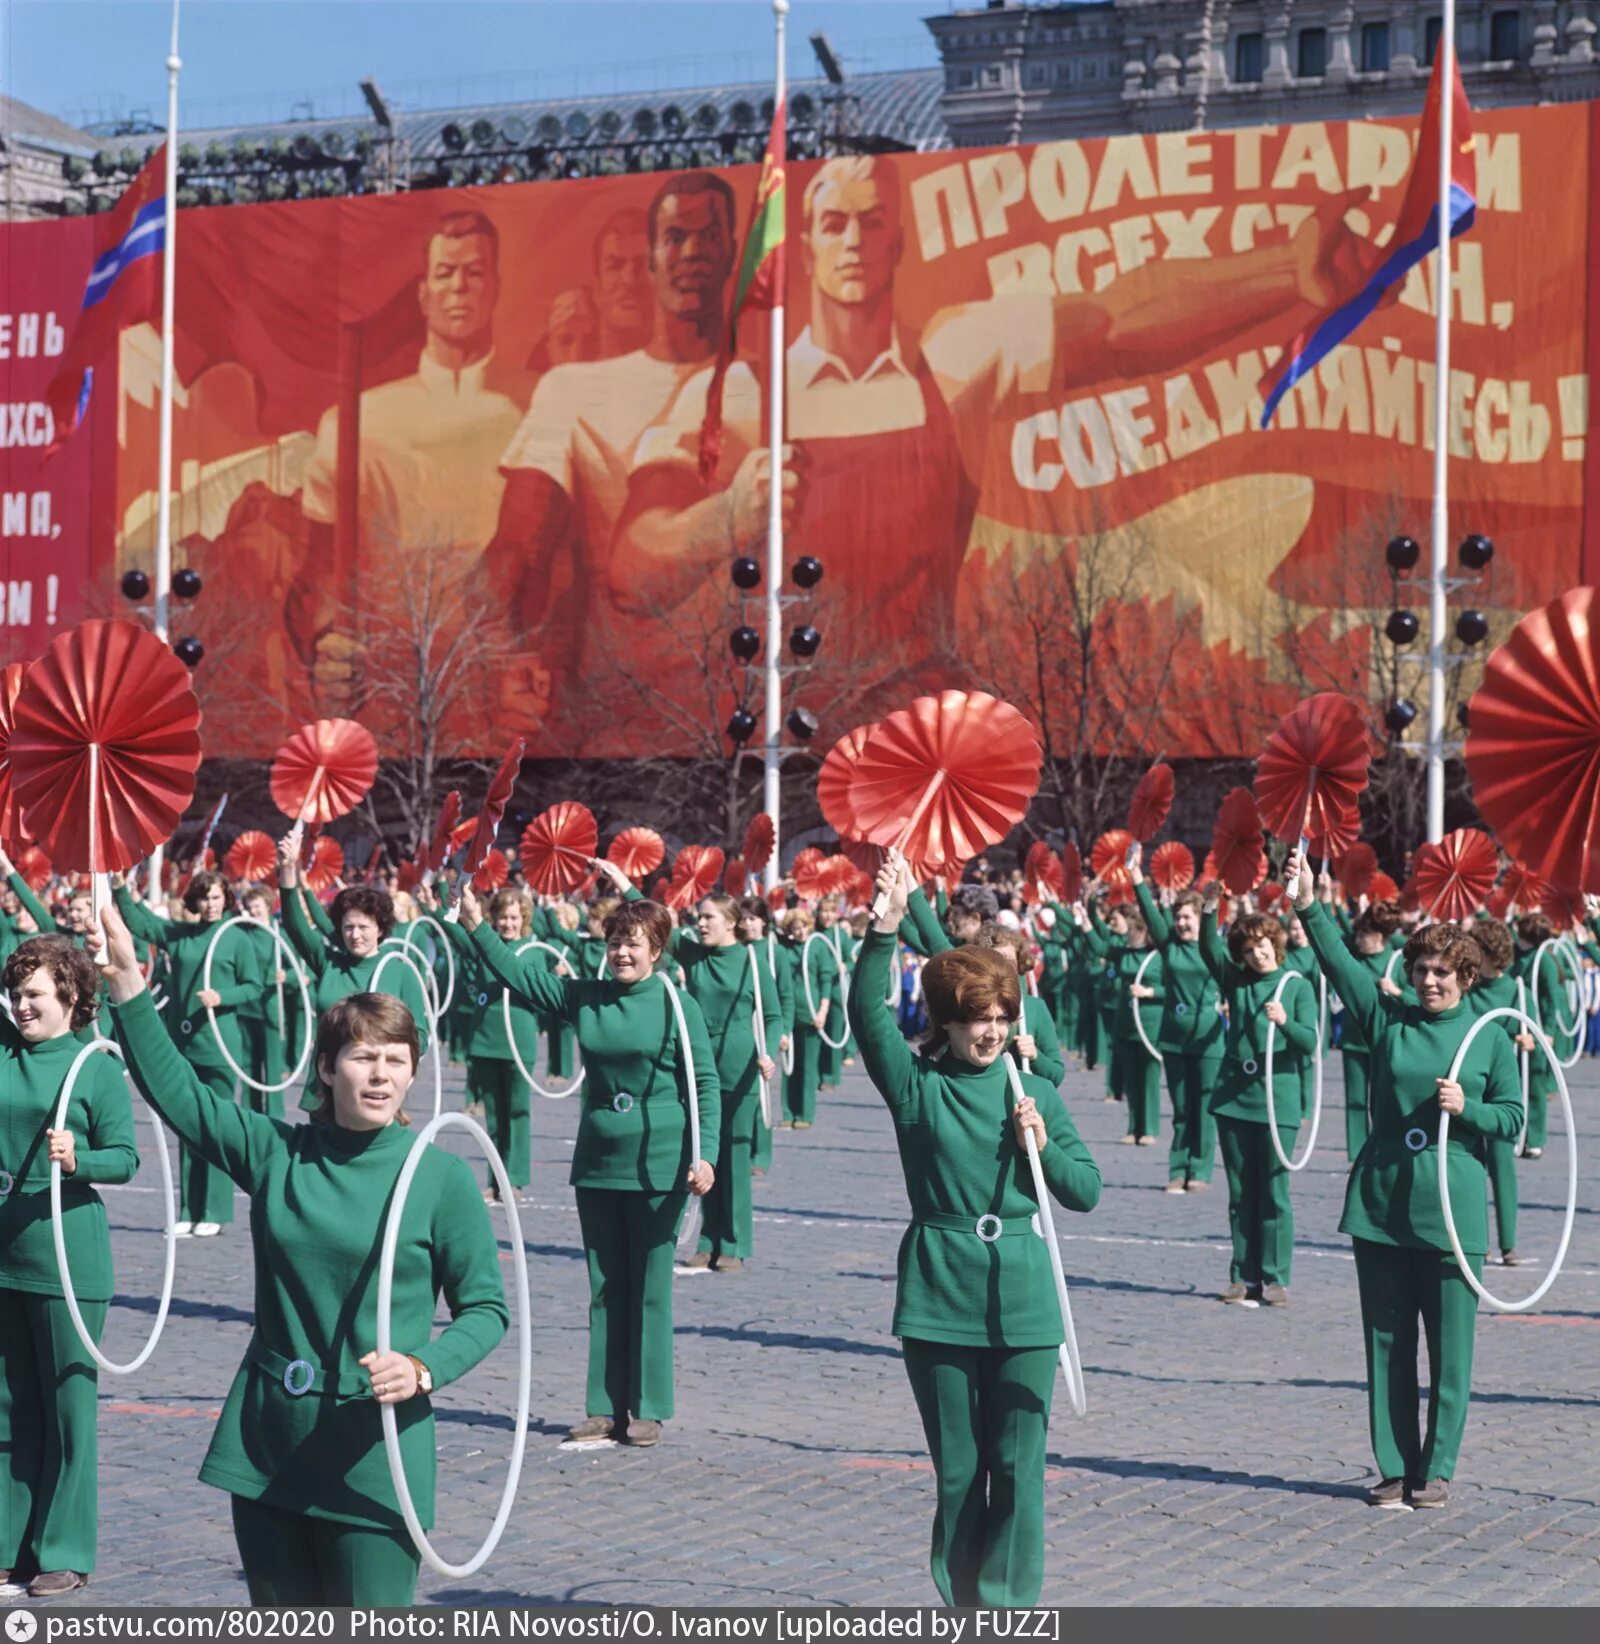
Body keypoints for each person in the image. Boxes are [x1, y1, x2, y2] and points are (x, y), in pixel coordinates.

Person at [98, 904, 507, 1602]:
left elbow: (486, 1308)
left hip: (370, 1453)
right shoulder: (279, 1154)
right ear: (325, 1067)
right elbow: (184, 1100)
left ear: (413, 1075)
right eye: (362, 1057)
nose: (379, 1075)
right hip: (268, 1443)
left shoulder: (438, 1176)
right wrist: (132, 991)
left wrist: (424, 1368)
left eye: (395, 1061)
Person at [851, 852, 1099, 1606]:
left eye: (1000, 1018)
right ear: (947, 1023)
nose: (989, 1033)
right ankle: (963, 1601)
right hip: (939, 1292)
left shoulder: (1035, 1090)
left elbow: (1085, 1190)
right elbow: (868, 1021)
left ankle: (1012, 1604)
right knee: (959, 1469)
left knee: (1020, 1465)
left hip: (1023, 1298)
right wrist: (885, 928)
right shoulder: (917, 1089)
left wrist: (1043, 1143)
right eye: (974, 1020)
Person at [488, 172, 779, 729]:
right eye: (674, 237)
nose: (691, 252)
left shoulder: (770, 386)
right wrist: (510, 653)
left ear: (731, 253)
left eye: (708, 236)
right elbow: (521, 546)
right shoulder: (573, 389)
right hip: (613, 717)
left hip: (746, 718)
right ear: (652, 258)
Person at [1290, 850, 1522, 1508]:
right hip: (1383, 1203)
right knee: (1388, 1343)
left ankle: (1436, 1467)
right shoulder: (1388, 1020)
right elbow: (1339, 965)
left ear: (1467, 976)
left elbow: (1513, 1117)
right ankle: (1394, 1463)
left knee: (1450, 1351)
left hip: (1452, 1210)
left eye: (1443, 971)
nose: (1429, 981)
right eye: (1421, 968)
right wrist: (1308, 902)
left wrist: (1467, 1109)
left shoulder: (1490, 1036)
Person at [454, 874, 716, 1446]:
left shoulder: (677, 1003)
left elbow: (705, 1083)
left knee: (649, 1286)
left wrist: (708, 1156)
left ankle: (647, 1406)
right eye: (614, 942)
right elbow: (520, 975)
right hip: (598, 1160)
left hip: (660, 1161)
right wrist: (474, 923)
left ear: (656, 950)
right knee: (603, 1286)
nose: (621, 953)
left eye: (633, 943)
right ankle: (603, 1406)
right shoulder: (587, 996)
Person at [295, 210, 530, 699]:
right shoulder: (355, 421)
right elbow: (318, 574)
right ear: (424, 294)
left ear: (497, 288)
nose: (460, 287)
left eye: (475, 272)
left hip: (505, 685)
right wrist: (325, 640)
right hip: (388, 682)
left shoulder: (537, 407)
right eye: (445, 273)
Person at [0, 937, 138, 1599]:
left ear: (72, 1000)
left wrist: (78, 1157)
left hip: (65, 1257)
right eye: (17, 993)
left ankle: (64, 1548)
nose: (22, 1006)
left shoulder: (94, 1065)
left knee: (66, 1413)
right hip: (4, 1255)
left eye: (35, 995)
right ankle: (8, 1543)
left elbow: (127, 1158)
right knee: (6, 1409)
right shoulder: (3, 1051)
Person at [609, 869, 778, 1271]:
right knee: (701, 1156)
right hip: (696, 1068)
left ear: (732, 923)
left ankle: (733, 1242)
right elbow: (654, 919)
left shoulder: (753, 960)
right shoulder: (692, 953)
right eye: (699, 917)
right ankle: (705, 1238)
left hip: (740, 1073)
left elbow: (771, 1015)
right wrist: (623, 882)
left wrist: (769, 1052)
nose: (699, 923)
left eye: (708, 918)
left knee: (734, 1160)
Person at [110, 870, 261, 1237]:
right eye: (205, 897)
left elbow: (255, 986)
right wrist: (118, 889)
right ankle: (190, 1209)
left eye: (217, 897)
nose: (211, 904)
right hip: (185, 1044)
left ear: (226, 899)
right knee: (188, 1128)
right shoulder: (182, 935)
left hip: (220, 1048)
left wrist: (222, 997)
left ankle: (215, 1209)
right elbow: (143, 925)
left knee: (219, 1128)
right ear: (195, 900)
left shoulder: (236, 937)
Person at [1197, 888, 1317, 1306]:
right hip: (1234, 1099)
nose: (1257, 956)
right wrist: (1210, 909)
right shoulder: (1236, 980)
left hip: (1277, 1102)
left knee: (1274, 1193)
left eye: (1262, 946)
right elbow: (1209, 949)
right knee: (1240, 1192)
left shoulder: (1295, 985)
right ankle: (1242, 1275)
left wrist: (1284, 1023)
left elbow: (1310, 1042)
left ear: (1275, 944)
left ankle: (1275, 1277)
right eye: (1248, 950)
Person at [275, 840, 431, 1113]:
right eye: (348, 927)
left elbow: (421, 1035)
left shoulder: (400, 969)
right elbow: (295, 925)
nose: (355, 935)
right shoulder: (329, 962)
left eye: (363, 927)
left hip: (376, 1090)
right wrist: (288, 870)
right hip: (327, 1088)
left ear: (380, 929)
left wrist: (389, 1059)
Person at [441, 889, 547, 1202]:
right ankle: (496, 1179)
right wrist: (448, 904)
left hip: (519, 1038)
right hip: (487, 1036)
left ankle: (515, 1179)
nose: (508, 923)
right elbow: (459, 936)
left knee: (517, 1111)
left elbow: (539, 991)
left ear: (524, 918)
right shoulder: (486, 943)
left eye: (514, 917)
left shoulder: (533, 948)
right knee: (493, 1116)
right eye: (502, 917)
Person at [1131, 864, 1223, 1192]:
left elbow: (1231, 978)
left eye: (1188, 917)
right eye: (1179, 917)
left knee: (1203, 1108)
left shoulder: (1213, 949)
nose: (1182, 923)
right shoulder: (1170, 946)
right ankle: (1178, 1167)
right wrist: (1136, 875)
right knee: (1182, 1109)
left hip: (1208, 1042)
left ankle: (1200, 1168)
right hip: (1173, 1040)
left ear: (1200, 919)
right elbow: (1149, 913)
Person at [1465, 920, 1523, 1267]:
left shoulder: (1515, 989)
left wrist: (1530, 1038)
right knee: (1471, 1166)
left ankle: (1509, 1243)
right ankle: (1477, 1240)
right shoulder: (1468, 987)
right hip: (1470, 1084)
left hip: (1499, 1083)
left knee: (1502, 1168)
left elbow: (1528, 1026)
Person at [1340, 901, 1405, 1161]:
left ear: (1379, 936)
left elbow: (1415, 998)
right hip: (1353, 1038)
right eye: (1357, 934)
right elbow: (1332, 938)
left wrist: (1397, 991)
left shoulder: (1397, 960)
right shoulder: (1353, 955)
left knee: (1383, 1099)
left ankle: (1383, 1146)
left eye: (1364, 934)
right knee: (1355, 1100)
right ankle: (1356, 1154)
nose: (1358, 939)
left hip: (1384, 1040)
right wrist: (1325, 899)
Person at [738, 896, 793, 1176]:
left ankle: (761, 1155)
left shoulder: (775, 953)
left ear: (763, 922)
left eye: (752, 918)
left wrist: (784, 1031)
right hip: (741, 1027)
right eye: (743, 918)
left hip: (765, 1026)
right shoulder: (735, 949)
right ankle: (740, 1149)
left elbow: (786, 994)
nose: (748, 924)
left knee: (762, 1094)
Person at [781, 907, 836, 1129]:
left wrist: (822, 1011)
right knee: (789, 1066)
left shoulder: (817, 946)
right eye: (795, 928)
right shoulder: (784, 949)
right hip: (789, 1012)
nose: (800, 931)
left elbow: (825, 981)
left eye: (803, 927)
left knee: (808, 1066)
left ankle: (805, 1113)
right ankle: (788, 1111)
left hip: (811, 1012)